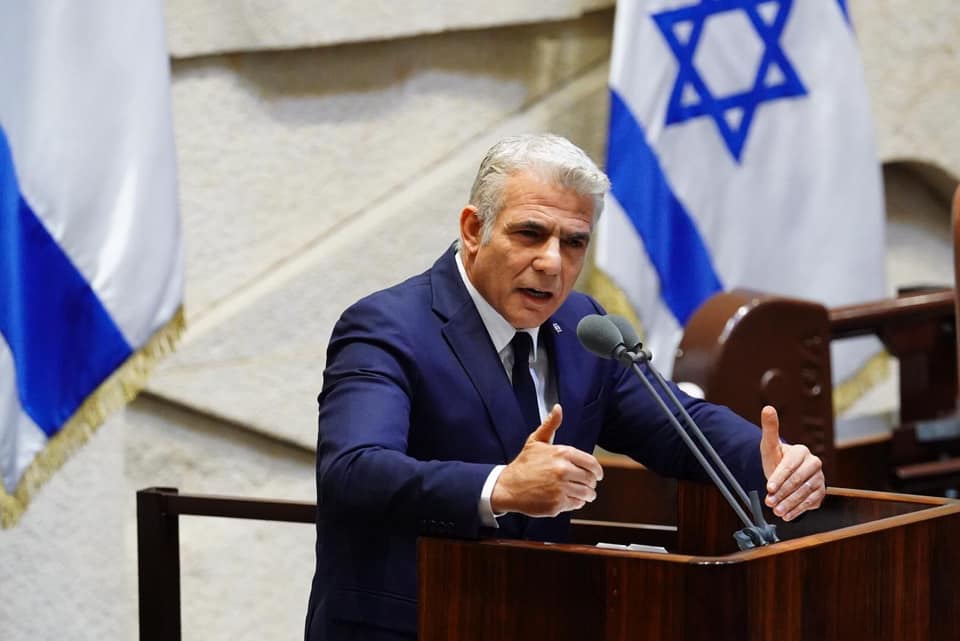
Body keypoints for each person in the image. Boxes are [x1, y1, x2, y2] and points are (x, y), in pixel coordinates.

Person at [304, 133, 825, 641]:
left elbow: (678, 426)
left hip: (538, 617)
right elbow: (354, 470)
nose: (552, 262)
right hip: (412, 622)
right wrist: (500, 487)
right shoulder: (387, 326)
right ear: (473, 229)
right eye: (531, 234)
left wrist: (769, 461)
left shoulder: (583, 325)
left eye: (574, 242)